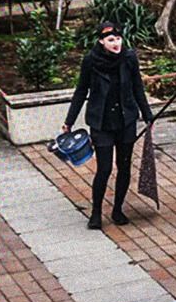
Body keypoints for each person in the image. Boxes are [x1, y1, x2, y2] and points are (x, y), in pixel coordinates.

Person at [62, 21, 153, 230]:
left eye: (118, 39)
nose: (116, 43)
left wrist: (148, 116)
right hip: (101, 122)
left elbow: (138, 87)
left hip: (125, 120)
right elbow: (80, 91)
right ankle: (95, 214)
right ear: (101, 41)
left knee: (124, 167)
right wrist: (69, 121)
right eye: (111, 40)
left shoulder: (129, 58)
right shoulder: (90, 61)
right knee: (104, 169)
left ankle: (118, 209)